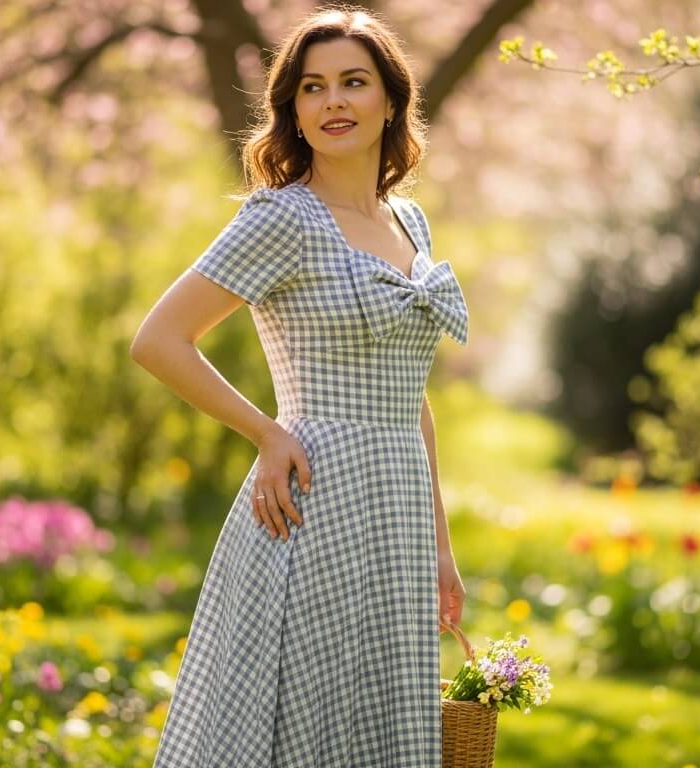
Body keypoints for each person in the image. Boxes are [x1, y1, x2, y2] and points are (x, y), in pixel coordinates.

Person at [130, 6, 469, 766]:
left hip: (399, 514)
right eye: (313, 88)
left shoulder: (409, 223)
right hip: (313, 499)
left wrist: (441, 548)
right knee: (308, 724)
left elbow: (412, 399)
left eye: (354, 82)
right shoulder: (283, 217)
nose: (334, 102)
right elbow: (158, 340)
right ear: (293, 108)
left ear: (391, 99)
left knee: (379, 724)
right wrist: (268, 432)